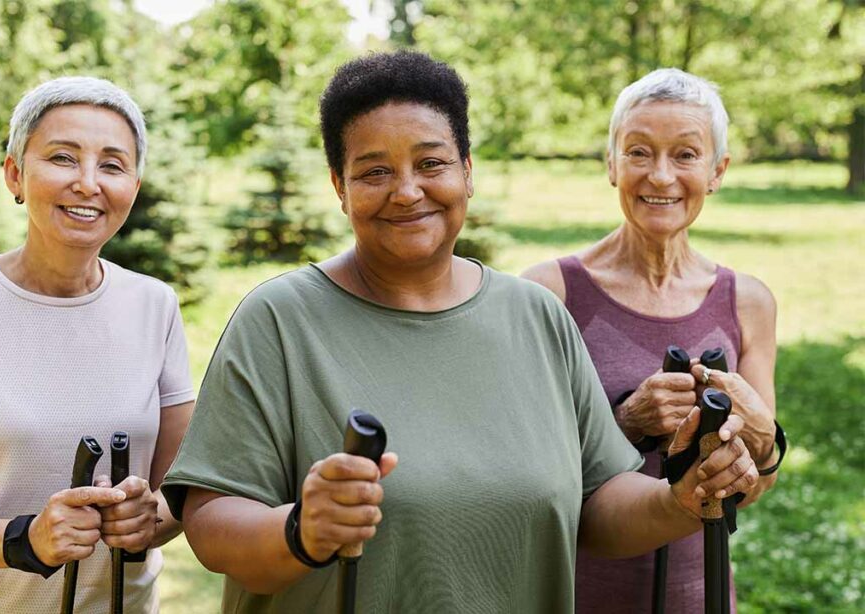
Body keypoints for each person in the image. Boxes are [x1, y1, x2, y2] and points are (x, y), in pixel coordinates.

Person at [161, 51, 759, 613]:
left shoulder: (536, 317)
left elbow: (597, 503)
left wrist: (678, 500)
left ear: (467, 172)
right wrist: (301, 530)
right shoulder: (280, 321)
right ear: (339, 186)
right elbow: (211, 522)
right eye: (374, 171)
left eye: (431, 163)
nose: (407, 190)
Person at [0, 77, 195, 612]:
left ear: (133, 188)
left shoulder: (155, 306)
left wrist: (151, 518)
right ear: (15, 174)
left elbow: (183, 491)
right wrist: (26, 540)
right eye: (63, 158)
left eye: (112, 165)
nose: (88, 183)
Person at [523, 68, 782, 613]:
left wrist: (759, 440)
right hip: (572, 593)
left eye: (686, 155)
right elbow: (521, 477)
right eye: (639, 152)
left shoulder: (749, 302)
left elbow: (755, 484)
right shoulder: (548, 294)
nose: (660, 176)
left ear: (717, 171)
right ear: (611, 165)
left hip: (700, 595)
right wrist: (625, 423)